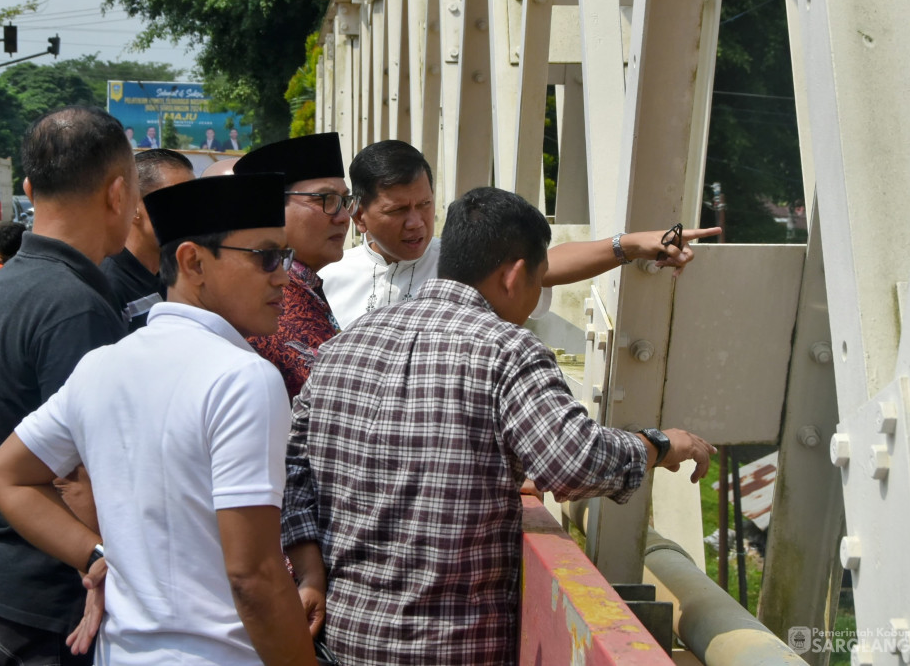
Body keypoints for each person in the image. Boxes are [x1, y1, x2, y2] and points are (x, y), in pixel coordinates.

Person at [283, 187, 717, 666]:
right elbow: (575, 462)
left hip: (342, 640)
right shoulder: (508, 350)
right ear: (513, 275)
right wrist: (657, 443)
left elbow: (295, 466)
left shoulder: (345, 344)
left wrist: (308, 571)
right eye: (538, 279)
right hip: (451, 650)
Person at [0, 174, 319, 665]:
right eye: (266, 256)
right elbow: (254, 577)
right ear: (193, 261)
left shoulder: (102, 365)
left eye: (285, 257)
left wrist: (96, 557)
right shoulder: (243, 377)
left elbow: (2, 478)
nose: (284, 276)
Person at [0, 106, 137, 666]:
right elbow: (82, 475)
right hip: (60, 598)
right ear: (117, 194)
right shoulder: (74, 307)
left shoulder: (2, 285)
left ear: (29, 188)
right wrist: (101, 562)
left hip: (9, 578)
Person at [320, 140, 721, 329]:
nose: (417, 223)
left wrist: (631, 245)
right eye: (398, 211)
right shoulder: (326, 277)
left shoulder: (457, 261)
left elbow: (541, 265)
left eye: (425, 205)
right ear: (359, 214)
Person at [234, 132, 354, 399]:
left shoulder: (304, 285)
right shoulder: (270, 300)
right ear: (273, 207)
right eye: (326, 200)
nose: (344, 217)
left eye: (344, 201)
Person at [102, 148, 195, 332]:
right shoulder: (108, 286)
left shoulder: (180, 274)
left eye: (195, 201)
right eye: (178, 201)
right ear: (134, 205)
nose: (191, 213)